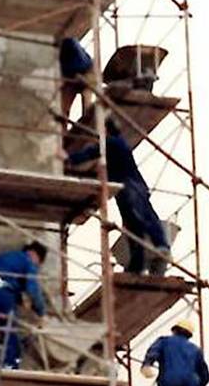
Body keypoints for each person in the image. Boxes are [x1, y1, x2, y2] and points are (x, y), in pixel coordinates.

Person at [69, 117, 170, 275]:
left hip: (131, 187)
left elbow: (93, 151)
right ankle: (138, 265)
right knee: (133, 227)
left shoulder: (114, 143)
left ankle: (161, 247)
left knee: (143, 218)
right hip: (124, 190)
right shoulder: (116, 146)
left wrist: (69, 159)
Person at [0, 241, 49, 370]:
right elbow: (33, 289)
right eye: (39, 263)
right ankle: (10, 368)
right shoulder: (28, 260)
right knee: (9, 334)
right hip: (1, 295)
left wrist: (20, 299)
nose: (37, 266)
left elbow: (10, 283)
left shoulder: (5, 258)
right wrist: (41, 312)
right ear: (35, 255)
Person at [141, 316, 209, 386]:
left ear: (174, 330)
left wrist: (147, 365)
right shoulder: (195, 349)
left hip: (170, 379)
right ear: (189, 334)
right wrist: (199, 385)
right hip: (191, 384)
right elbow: (204, 374)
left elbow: (153, 352)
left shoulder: (165, 341)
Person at [56, 35, 98, 126]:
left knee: (87, 107)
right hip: (72, 76)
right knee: (63, 107)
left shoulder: (71, 45)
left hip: (87, 72)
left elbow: (82, 64)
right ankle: (63, 129)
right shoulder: (60, 55)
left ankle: (88, 127)